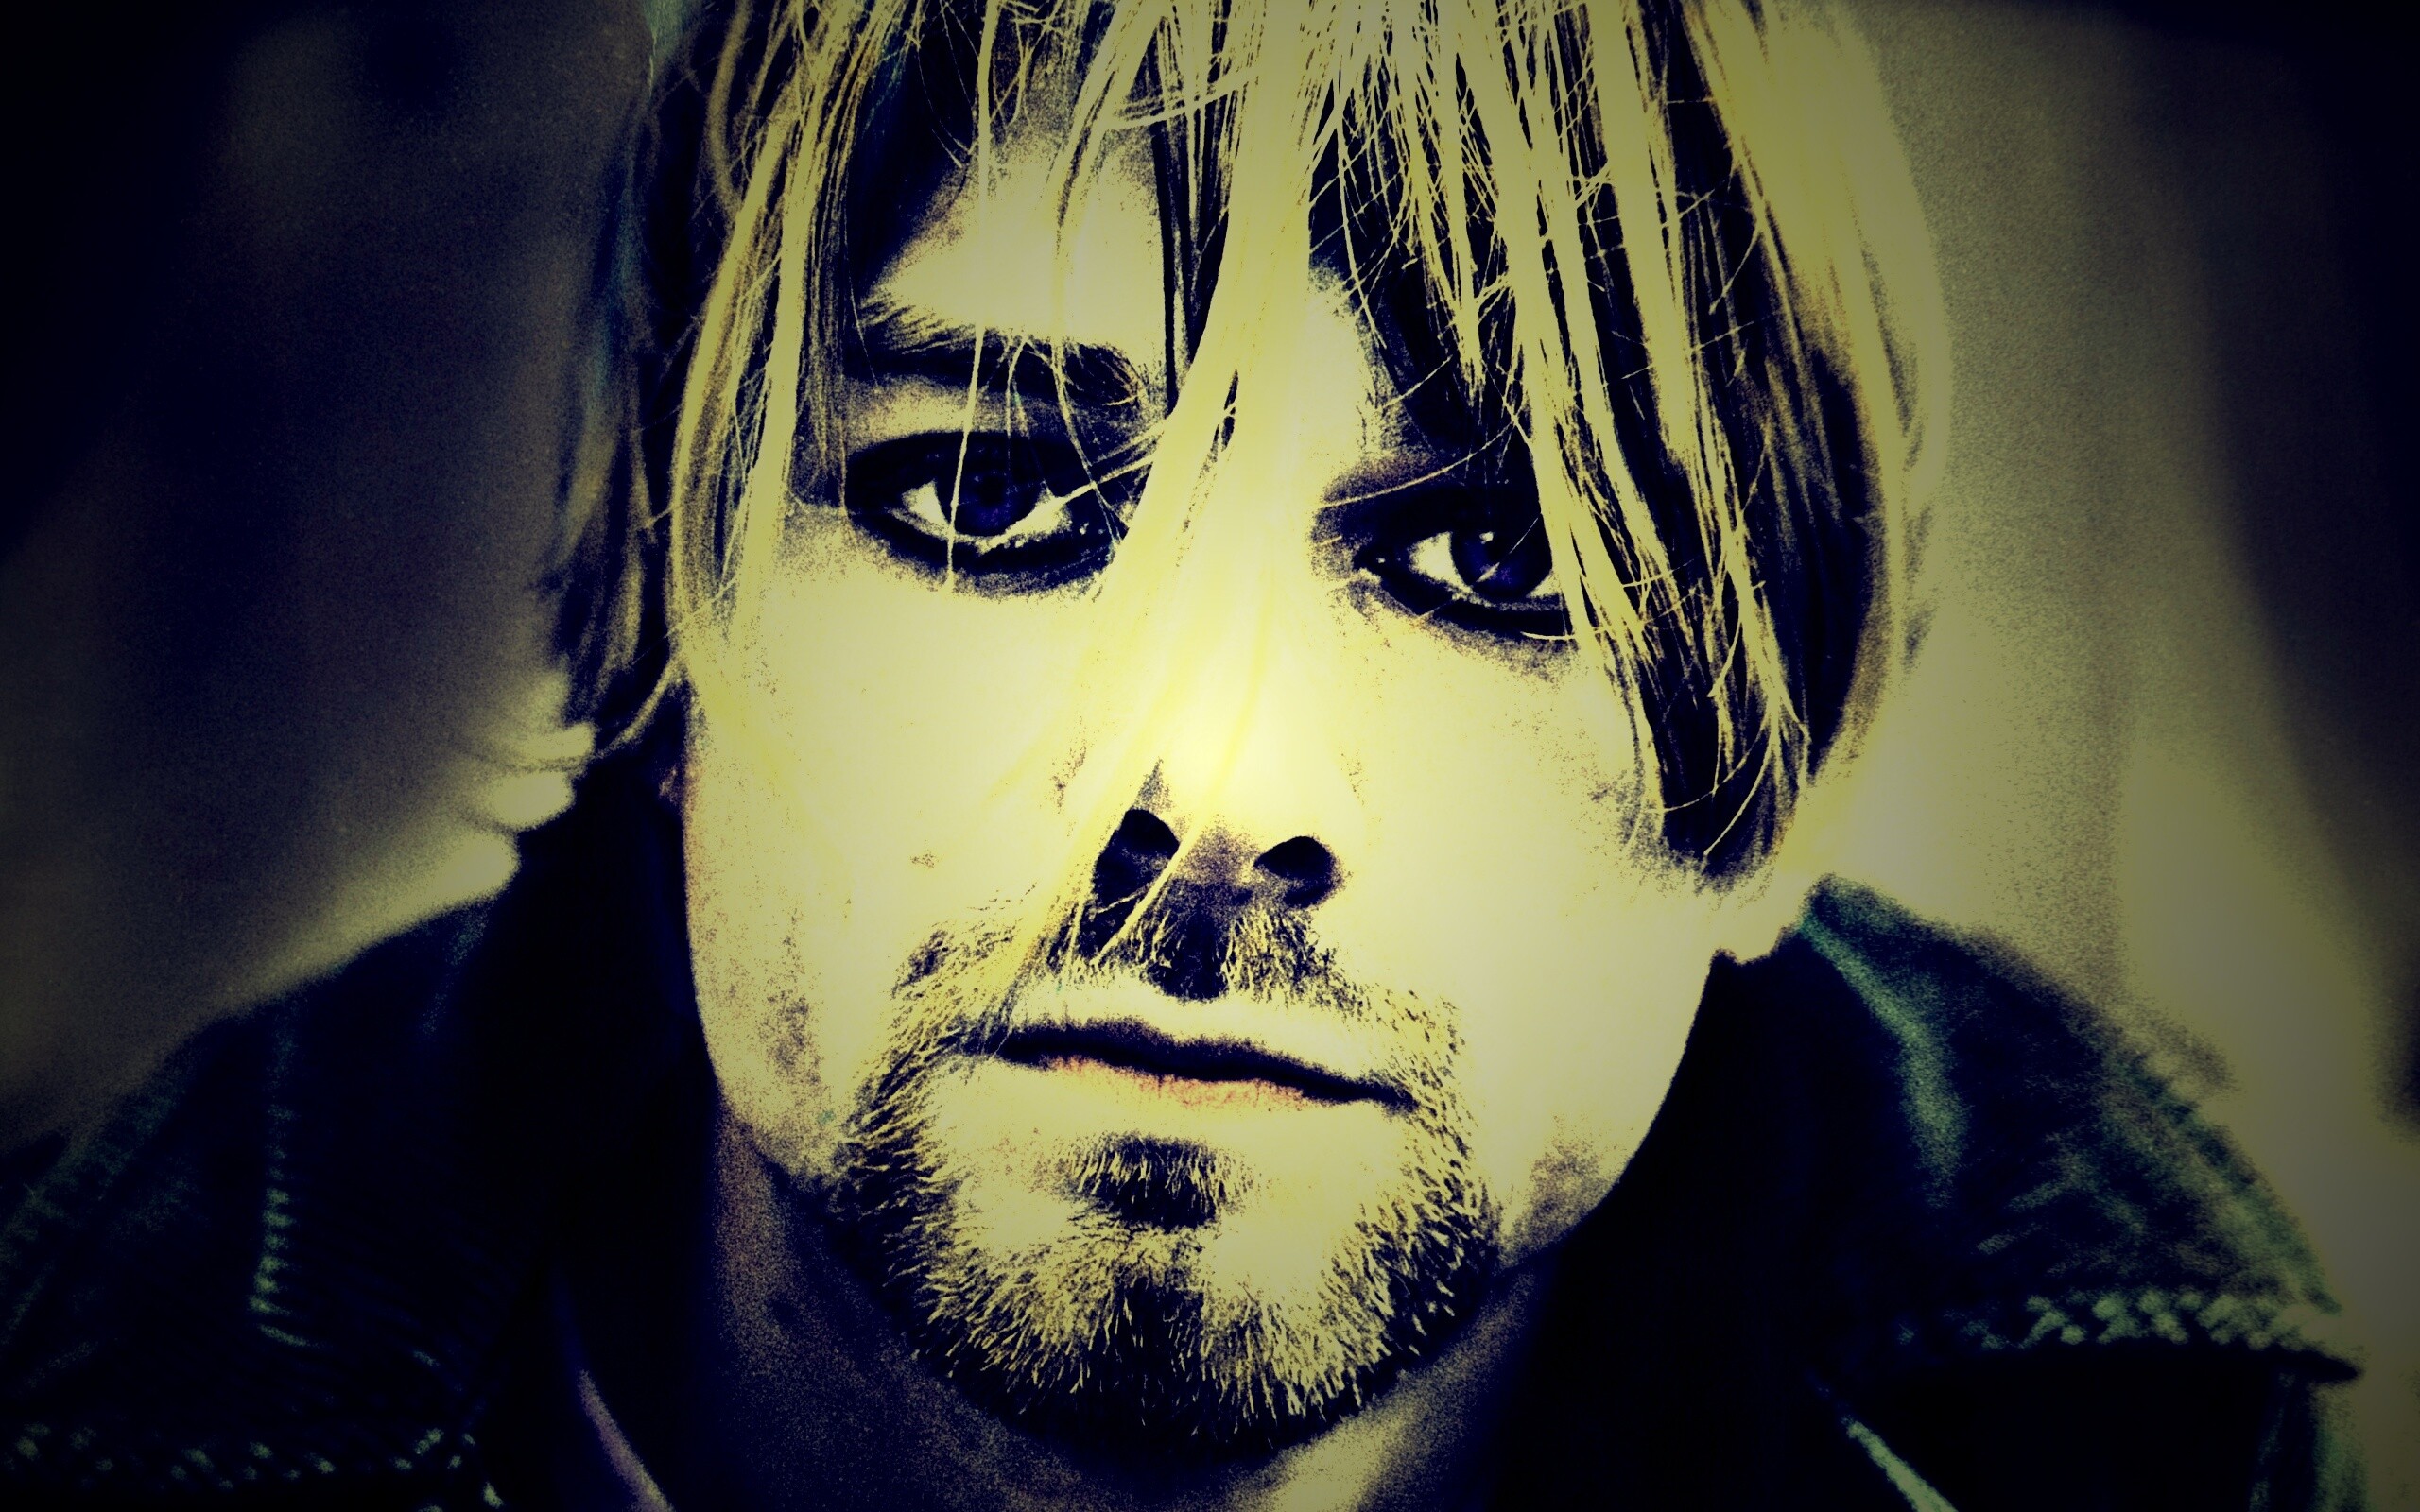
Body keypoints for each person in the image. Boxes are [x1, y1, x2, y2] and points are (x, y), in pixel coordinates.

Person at [0, 0, 2363, 1506]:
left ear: (1780, 781)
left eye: (1494, 561)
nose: (1214, 778)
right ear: (669, 638)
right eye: (984, 497)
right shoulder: (86, 1390)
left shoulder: (2139, 1441)